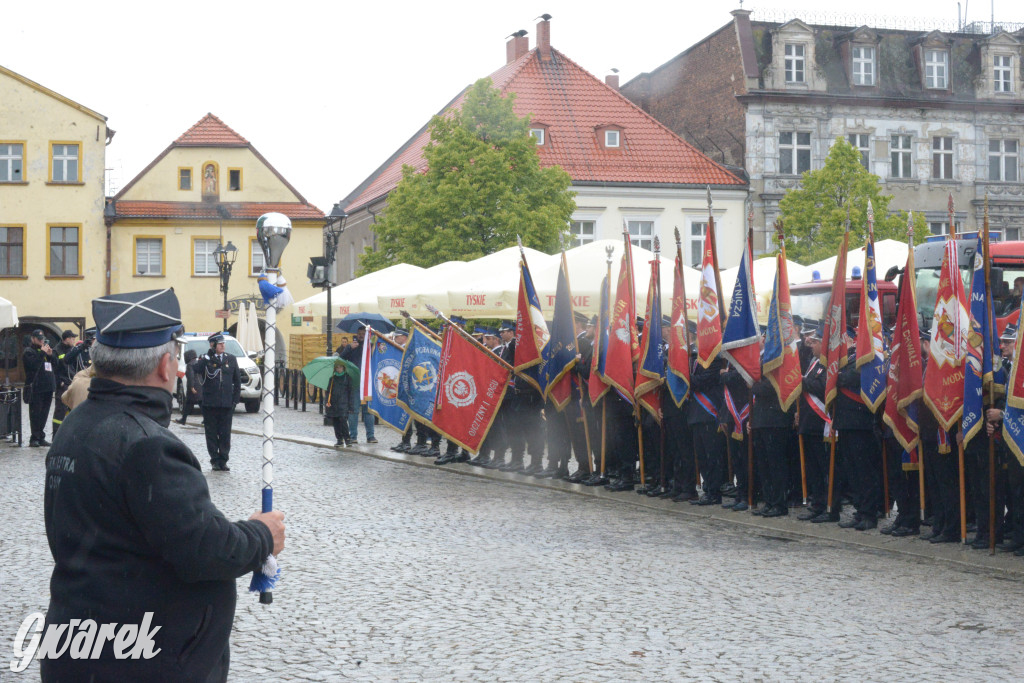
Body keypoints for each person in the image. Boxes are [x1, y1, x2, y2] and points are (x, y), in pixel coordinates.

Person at [42, 288, 285, 682]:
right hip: (143, 657)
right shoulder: (148, 445)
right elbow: (206, 549)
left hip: (84, 639)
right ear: (165, 365)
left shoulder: (77, 424)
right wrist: (261, 535)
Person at [195, 333, 241, 471]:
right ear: (213, 345)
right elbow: (196, 369)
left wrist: (235, 401)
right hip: (210, 403)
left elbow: (237, 381)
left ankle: (223, 460)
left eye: (223, 343)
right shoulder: (206, 359)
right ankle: (214, 460)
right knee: (211, 433)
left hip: (226, 404)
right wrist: (207, 357)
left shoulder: (231, 359)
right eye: (219, 344)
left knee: (225, 433)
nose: (222, 345)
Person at [339, 333, 377, 444]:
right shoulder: (351, 347)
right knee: (353, 411)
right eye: (359, 333)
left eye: (363, 333)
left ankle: (371, 436)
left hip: (367, 384)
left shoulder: (371, 347)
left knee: (368, 411)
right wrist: (349, 348)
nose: (361, 335)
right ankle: (353, 436)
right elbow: (340, 359)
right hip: (354, 383)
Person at [23, 329, 56, 447]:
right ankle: (34, 438)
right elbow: (33, 365)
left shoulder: (45, 351)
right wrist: (42, 353)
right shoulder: (28, 351)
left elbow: (55, 365)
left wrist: (51, 355)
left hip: (47, 386)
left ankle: (41, 436)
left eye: (42, 339)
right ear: (33, 338)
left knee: (44, 413)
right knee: (35, 413)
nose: (41, 341)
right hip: (36, 387)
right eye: (38, 339)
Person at [325, 359, 353, 447]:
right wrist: (327, 402)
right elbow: (328, 392)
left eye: (340, 367)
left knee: (343, 420)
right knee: (336, 421)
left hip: (343, 403)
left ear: (343, 368)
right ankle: (339, 439)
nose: (338, 369)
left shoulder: (347, 378)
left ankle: (347, 439)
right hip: (334, 403)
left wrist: (351, 405)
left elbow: (350, 392)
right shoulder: (332, 379)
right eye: (337, 367)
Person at [175, 349, 201, 425]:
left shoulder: (190, 365)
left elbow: (191, 377)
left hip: (193, 388)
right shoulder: (197, 363)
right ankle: (183, 419)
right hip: (199, 387)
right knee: (188, 404)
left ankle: (183, 419)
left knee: (200, 404)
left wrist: (192, 387)